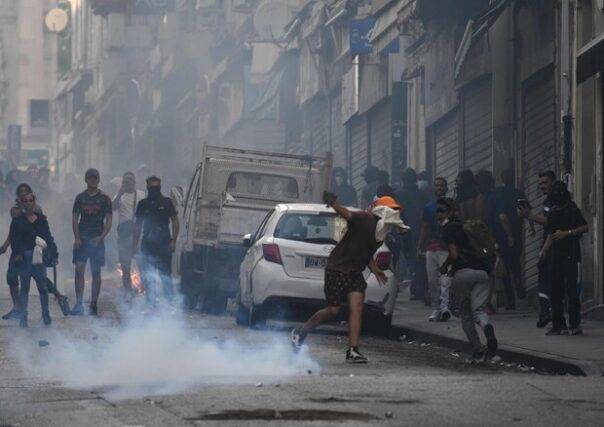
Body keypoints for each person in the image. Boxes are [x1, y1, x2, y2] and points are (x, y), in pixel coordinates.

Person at [291, 193, 408, 363]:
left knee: (357, 308)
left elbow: (366, 251)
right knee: (333, 310)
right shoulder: (365, 218)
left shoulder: (381, 232)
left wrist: (375, 269)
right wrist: (334, 203)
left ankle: (353, 350)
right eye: (392, 209)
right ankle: (300, 332)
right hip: (337, 269)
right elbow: (347, 214)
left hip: (355, 272)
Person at [437, 197, 498, 362]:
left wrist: (444, 267)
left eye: (442, 210)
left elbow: (453, 254)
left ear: (451, 211)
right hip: (482, 273)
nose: (439, 214)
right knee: (479, 311)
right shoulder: (466, 226)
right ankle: (488, 329)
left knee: (466, 315)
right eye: (437, 210)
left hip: (463, 273)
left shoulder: (448, 229)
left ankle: (477, 350)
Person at [539, 182, 588, 335]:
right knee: (555, 291)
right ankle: (559, 325)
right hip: (556, 255)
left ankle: (574, 324)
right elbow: (551, 233)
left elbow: (584, 227)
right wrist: (544, 250)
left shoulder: (572, 209)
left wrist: (567, 233)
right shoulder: (553, 211)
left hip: (571, 254)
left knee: (572, 291)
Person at [8, 192, 54, 327]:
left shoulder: (41, 220)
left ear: (34, 202)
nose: (28, 203)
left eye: (30, 200)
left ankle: (45, 314)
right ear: (22, 203)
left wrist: (53, 254)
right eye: (26, 201)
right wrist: (17, 254)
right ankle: (24, 316)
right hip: (24, 259)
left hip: (39, 258)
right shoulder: (17, 221)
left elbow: (48, 238)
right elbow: (14, 239)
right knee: (24, 289)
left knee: (43, 288)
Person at [71, 168, 113, 316]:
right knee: (79, 270)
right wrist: (76, 237)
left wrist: (101, 237)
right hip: (82, 239)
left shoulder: (105, 198)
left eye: (95, 178)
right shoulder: (80, 198)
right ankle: (79, 303)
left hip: (96, 239)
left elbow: (109, 220)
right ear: (86, 179)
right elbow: (75, 219)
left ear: (98, 179)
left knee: (96, 272)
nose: (93, 180)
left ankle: (93, 304)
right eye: (90, 178)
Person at [133, 176, 179, 306]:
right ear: (147, 187)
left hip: (164, 243)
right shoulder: (143, 204)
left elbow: (175, 221)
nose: (154, 190)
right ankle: (150, 302)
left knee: (165, 274)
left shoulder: (167, 202)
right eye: (152, 187)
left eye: (156, 187)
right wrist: (134, 244)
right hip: (148, 244)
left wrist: (174, 241)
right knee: (147, 274)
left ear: (160, 187)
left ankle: (169, 303)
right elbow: (137, 225)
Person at [518, 170, 556, 327]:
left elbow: (551, 222)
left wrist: (530, 216)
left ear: (553, 182)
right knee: (545, 280)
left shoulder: (555, 201)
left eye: (545, 182)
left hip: (555, 245)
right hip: (549, 243)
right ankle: (546, 312)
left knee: (548, 281)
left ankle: (549, 312)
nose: (542, 186)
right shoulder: (547, 201)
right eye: (540, 183)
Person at [417, 177, 452, 322]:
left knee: (445, 279)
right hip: (431, 247)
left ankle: (444, 307)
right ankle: (437, 308)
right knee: (432, 280)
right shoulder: (428, 207)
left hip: (446, 247)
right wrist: (420, 245)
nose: (439, 188)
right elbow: (424, 227)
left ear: (446, 188)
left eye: (442, 185)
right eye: (437, 185)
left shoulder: (452, 205)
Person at [493, 169, 527, 309]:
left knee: (505, 267)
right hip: (517, 232)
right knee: (515, 262)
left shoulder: (498, 193)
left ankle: (510, 300)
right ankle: (518, 282)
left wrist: (508, 235)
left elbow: (502, 216)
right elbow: (526, 211)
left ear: (502, 179)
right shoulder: (518, 193)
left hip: (502, 235)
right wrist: (531, 227)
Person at [395, 168, 428, 302]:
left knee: (411, 261)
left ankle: (416, 288)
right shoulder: (422, 195)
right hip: (419, 231)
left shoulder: (397, 194)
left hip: (404, 233)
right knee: (418, 261)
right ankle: (419, 289)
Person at [113, 172, 145, 302]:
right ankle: (128, 291)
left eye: (130, 181)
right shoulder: (119, 196)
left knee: (142, 265)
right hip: (124, 236)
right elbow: (112, 208)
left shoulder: (141, 194)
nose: (128, 183)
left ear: (134, 182)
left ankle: (144, 289)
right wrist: (120, 193)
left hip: (139, 235)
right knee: (125, 266)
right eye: (125, 181)